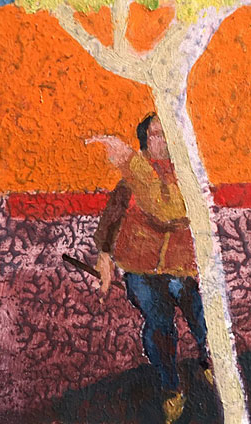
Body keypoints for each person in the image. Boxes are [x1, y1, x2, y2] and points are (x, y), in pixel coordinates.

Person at [88, 114, 212, 424]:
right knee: (159, 324)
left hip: (182, 267)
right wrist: (104, 257)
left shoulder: (185, 173)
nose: (161, 141)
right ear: (146, 138)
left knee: (200, 318)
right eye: (155, 134)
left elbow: (168, 208)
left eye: (166, 134)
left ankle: (208, 362)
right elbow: (112, 217)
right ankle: (171, 387)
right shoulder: (133, 177)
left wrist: (130, 161)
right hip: (140, 268)